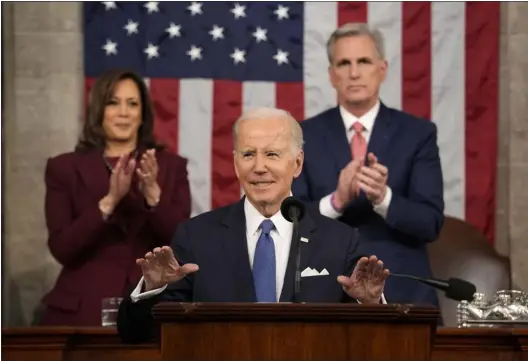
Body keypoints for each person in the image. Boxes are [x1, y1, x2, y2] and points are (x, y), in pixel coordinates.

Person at [116, 107, 390, 344]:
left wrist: (369, 305)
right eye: (248, 155)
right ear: (236, 164)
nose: (259, 167)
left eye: (272, 154)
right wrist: (153, 288)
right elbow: (137, 333)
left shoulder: (339, 242)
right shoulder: (196, 237)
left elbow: (371, 342)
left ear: (297, 163)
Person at [291, 23, 444, 307]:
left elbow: (430, 223)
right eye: (343, 63)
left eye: (363, 61)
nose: (354, 72)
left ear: (382, 69)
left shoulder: (418, 134)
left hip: (401, 290)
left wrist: (383, 198)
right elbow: (288, 221)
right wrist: (336, 202)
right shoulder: (303, 135)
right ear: (331, 75)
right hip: (324, 290)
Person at [40, 68, 191, 326]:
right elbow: (62, 248)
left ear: (143, 113)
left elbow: (181, 243)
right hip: (82, 310)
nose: (123, 112)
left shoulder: (170, 166)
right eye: (113, 102)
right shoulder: (64, 168)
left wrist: (153, 195)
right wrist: (108, 202)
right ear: (99, 109)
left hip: (151, 309)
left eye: (132, 104)